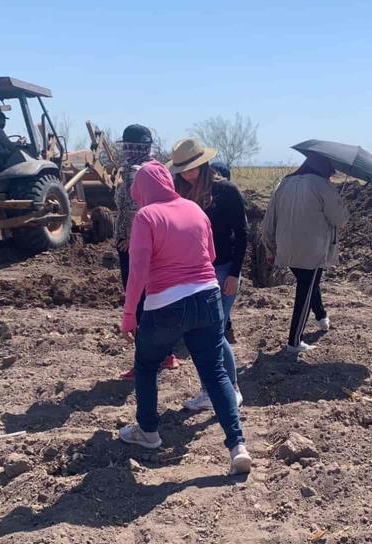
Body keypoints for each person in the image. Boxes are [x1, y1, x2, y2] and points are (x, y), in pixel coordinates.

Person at [118, 161, 251, 475]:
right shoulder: (194, 209)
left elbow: (137, 273)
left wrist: (128, 314)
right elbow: (212, 255)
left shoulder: (146, 216)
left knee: (147, 364)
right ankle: (237, 445)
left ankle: (148, 432)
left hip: (165, 304)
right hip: (207, 298)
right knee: (215, 371)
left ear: (142, 189)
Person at [169, 140, 247, 411]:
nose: (187, 175)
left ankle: (231, 387)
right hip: (194, 271)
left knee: (214, 331)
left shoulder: (226, 191)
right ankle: (207, 390)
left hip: (223, 269)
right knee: (197, 332)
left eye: (191, 169)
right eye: (182, 170)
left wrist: (235, 273)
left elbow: (242, 234)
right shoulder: (180, 194)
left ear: (203, 165)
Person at [261, 155, 350, 353]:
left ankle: (321, 317)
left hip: (285, 247)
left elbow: (270, 218)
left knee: (309, 284)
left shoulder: (284, 182)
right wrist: (339, 201)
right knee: (305, 290)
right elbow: (340, 219)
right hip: (312, 249)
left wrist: (270, 246)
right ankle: (294, 341)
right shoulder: (321, 185)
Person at [114, 124, 180, 379]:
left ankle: (145, 361)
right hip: (157, 241)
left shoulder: (135, 172)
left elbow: (136, 207)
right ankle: (166, 354)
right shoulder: (160, 169)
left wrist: (131, 237)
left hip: (135, 244)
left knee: (140, 303)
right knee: (156, 298)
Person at [209, 160, 237, 344]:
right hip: (212, 263)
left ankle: (224, 330)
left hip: (224, 262)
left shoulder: (230, 195)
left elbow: (241, 233)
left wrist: (235, 272)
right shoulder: (200, 199)